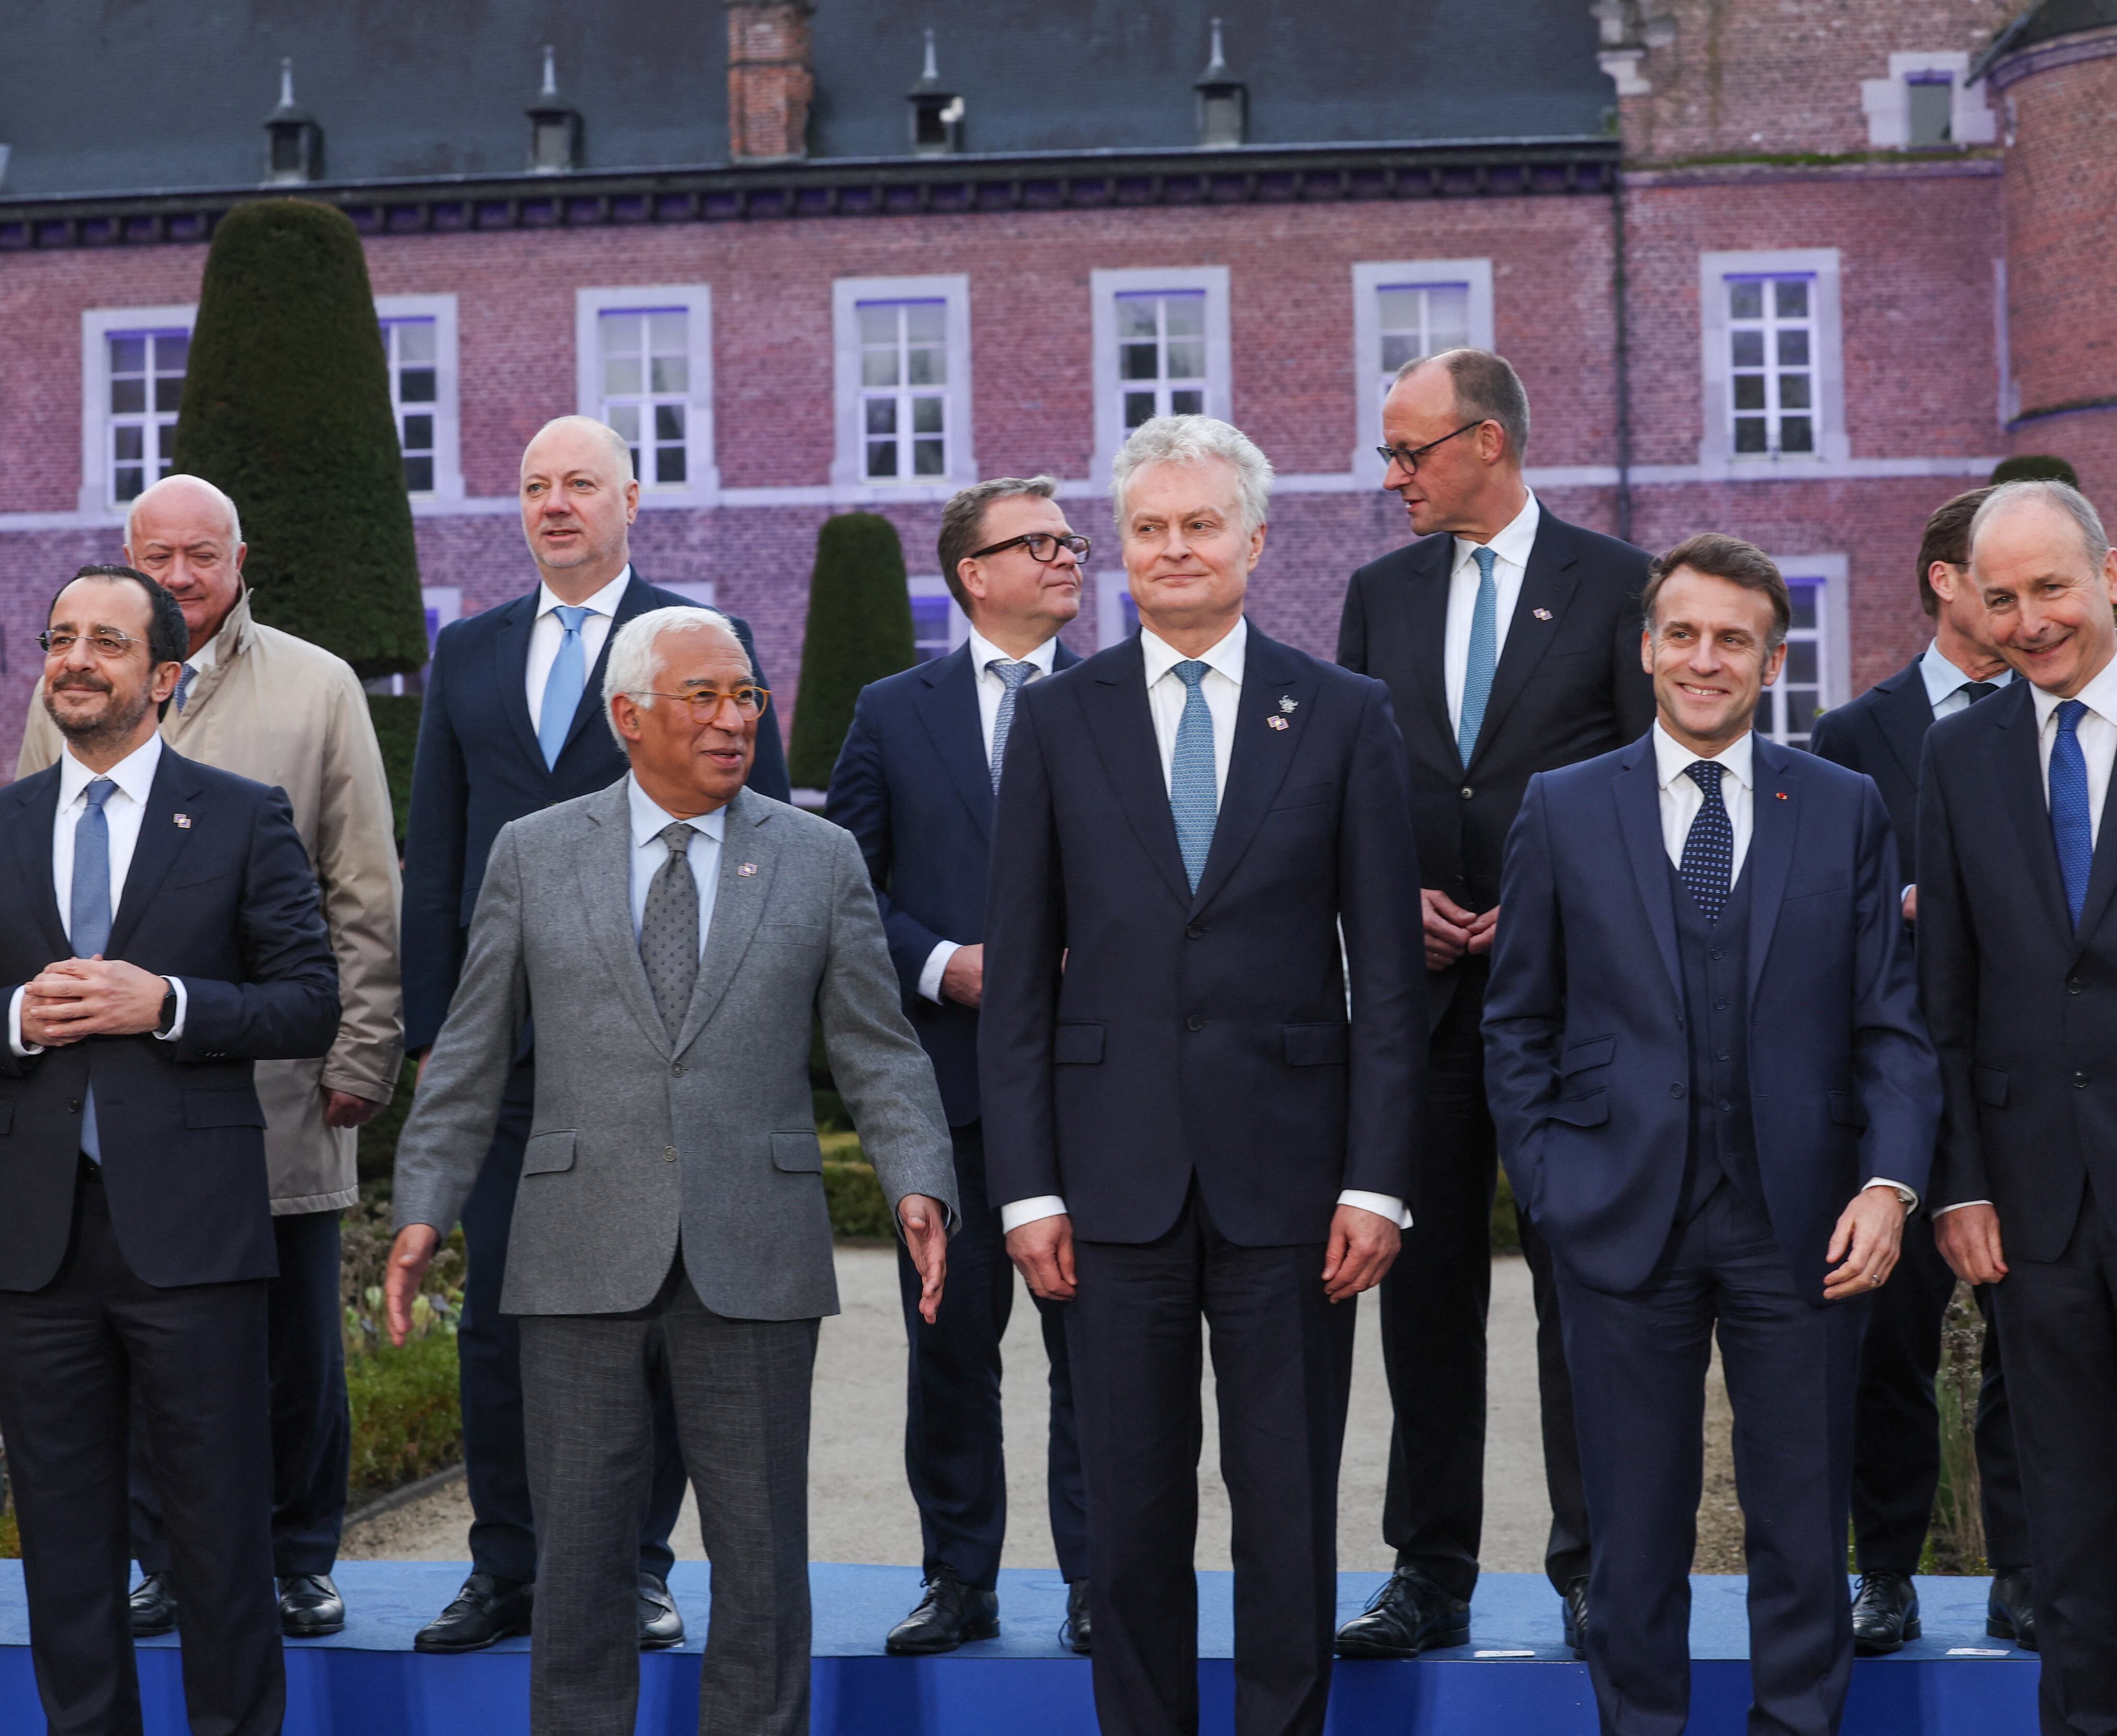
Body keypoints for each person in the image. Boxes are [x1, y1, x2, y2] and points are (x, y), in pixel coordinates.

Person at [384, 606, 956, 1736]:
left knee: (759, 1560)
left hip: (756, 1244)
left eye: (745, 695)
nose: (733, 718)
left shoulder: (818, 853)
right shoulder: (533, 852)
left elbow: (877, 1048)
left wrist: (915, 1177)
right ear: (628, 715)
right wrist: (423, 1205)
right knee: (582, 1558)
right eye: (703, 695)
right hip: (575, 1243)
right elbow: (472, 1046)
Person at [979, 414, 1427, 1735]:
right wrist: (1025, 1191)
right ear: (1121, 550)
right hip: (1108, 1188)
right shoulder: (1058, 720)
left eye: (1200, 526)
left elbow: (1387, 977)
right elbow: (1017, 976)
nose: (1174, 549)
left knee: (1286, 1509)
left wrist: (1379, 1181)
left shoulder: (1344, 713)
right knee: (1129, 1515)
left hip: (1295, 1189)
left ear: (1254, 542)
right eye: (1150, 528)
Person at [1484, 533, 1938, 1736]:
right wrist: (1548, 1181)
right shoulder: (1562, 807)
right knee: (1633, 1532)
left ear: (1769, 659)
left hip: (1806, 1221)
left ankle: (1796, 1724)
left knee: (1800, 1521)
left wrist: (1888, 1183)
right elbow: (1516, 1017)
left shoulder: (1841, 806)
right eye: (1680, 633)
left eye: (1731, 638)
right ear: (1645, 647)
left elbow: (1892, 1023)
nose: (1703, 658)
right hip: (1615, 1214)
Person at [0, 565, 340, 1736]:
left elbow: (307, 1001)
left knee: (218, 1538)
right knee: (63, 1539)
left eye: (106, 640)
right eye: (58, 638)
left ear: (164, 675)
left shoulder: (242, 813)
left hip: (195, 1234)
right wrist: (10, 1022)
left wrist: (172, 1004)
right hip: (39, 1241)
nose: (75, 658)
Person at [398, 416, 791, 1653]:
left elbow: (764, 837)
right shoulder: (468, 651)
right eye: (533, 486)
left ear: (632, 497)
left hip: (668, 1042)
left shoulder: (700, 643)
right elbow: (439, 851)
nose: (554, 503)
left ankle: (634, 1563)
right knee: (502, 1319)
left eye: (580, 483)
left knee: (664, 1315)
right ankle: (507, 1561)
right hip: (516, 1050)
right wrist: (433, 1034)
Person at [15, 474, 402, 1641]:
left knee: (289, 1336)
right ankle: (161, 1558)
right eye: (156, 554)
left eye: (200, 555)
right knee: (132, 1328)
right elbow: (28, 854)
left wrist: (366, 1042)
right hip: (108, 1084)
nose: (179, 574)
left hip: (270, 1076)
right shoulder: (75, 679)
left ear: (243, 559)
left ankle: (295, 1550)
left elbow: (364, 881)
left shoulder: (318, 684)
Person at [1332, 349, 1649, 1658]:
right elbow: (1358, 786)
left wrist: (1556, 905)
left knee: (1583, 1290)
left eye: (1406, 451)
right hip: (1421, 1001)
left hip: (1571, 1006)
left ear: (1486, 442)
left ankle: (1594, 1569)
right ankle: (1430, 1571)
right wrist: (1386, 889)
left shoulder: (1621, 585)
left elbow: (1642, 778)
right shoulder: (1377, 593)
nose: (1390, 475)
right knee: (1426, 1292)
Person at [824, 475, 1093, 1657]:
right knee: (949, 1349)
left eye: (1072, 540)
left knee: (1100, 1355)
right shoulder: (891, 710)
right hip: (946, 1082)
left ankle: (1102, 1581)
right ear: (972, 571)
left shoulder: (1120, 699)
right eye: (1039, 542)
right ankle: (958, 1578)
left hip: (1097, 1084)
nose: (1067, 556)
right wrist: (939, 963)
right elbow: (842, 890)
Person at [1919, 478, 2117, 1735]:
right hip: (2035, 1209)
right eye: (1999, 598)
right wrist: (1961, 1177)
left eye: (2049, 586)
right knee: (2069, 1521)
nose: (2028, 620)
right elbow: (1943, 984)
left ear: (2110, 575)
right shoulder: (1961, 750)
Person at [1807, 486, 2032, 1654]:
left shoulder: (2061, 716)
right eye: (2000, 580)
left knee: (2028, 1342)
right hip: (1891, 1088)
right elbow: (1822, 913)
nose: (2022, 606)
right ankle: (1883, 1573)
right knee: (1882, 1352)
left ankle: (2025, 1574)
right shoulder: (1851, 734)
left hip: (2028, 1087)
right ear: (1946, 581)